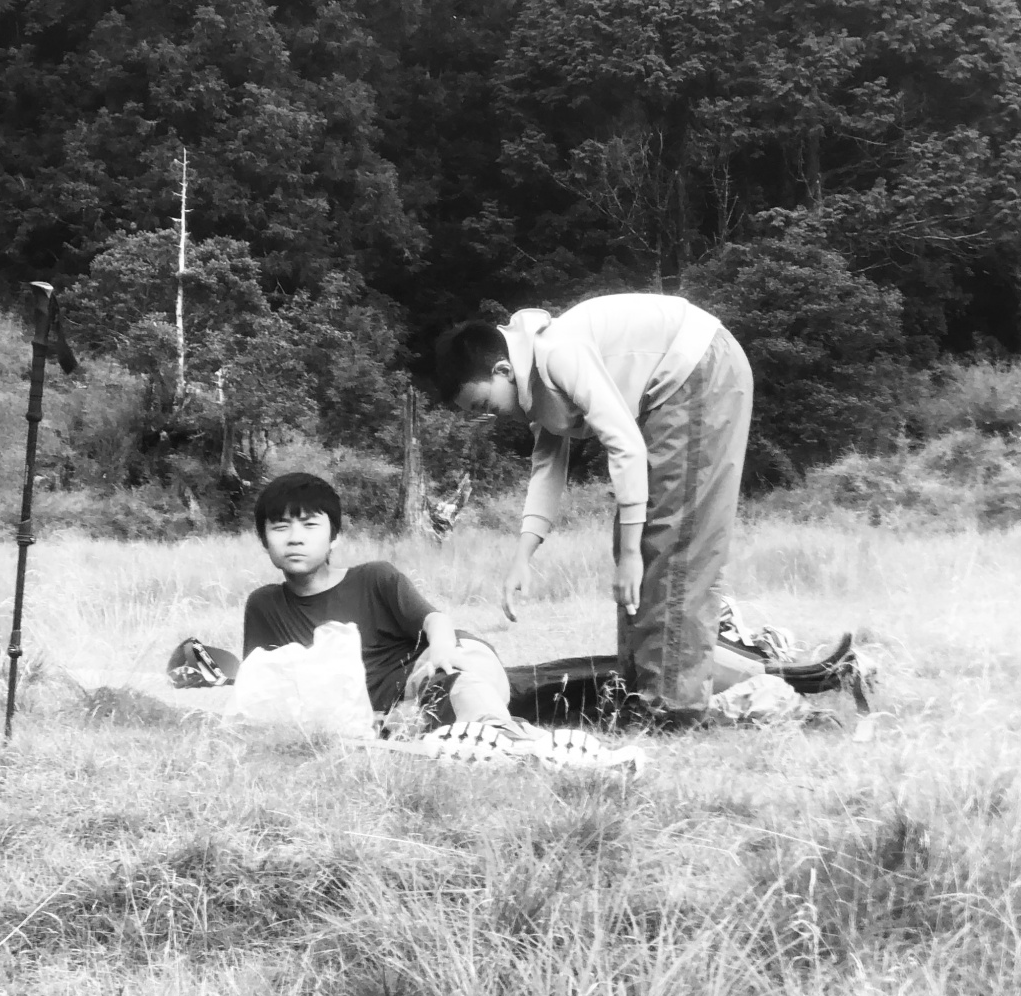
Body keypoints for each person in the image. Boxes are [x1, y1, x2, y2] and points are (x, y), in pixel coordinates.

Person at [431, 293, 753, 724]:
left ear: (502, 370)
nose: (490, 417)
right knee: (640, 537)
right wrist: (522, 557)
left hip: (699, 367)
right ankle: (642, 692)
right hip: (677, 384)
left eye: (485, 406)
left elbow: (625, 444)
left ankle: (671, 708)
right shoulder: (533, 383)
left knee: (670, 538)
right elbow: (547, 468)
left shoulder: (556, 353)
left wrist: (633, 554)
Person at [240, 471, 511, 723]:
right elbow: (260, 685)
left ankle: (502, 733)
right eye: (280, 527)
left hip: (438, 663)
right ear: (264, 540)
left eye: (310, 525)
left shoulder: (374, 578)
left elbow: (435, 620)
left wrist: (443, 649)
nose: (295, 538)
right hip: (388, 708)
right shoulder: (265, 605)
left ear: (334, 537)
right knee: (408, 720)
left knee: (460, 681)